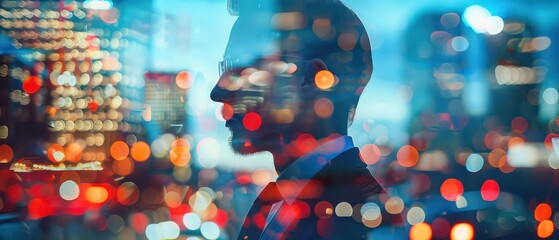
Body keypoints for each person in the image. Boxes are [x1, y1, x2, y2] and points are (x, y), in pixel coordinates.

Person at [211, 0, 402, 239]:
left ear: (310, 79)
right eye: (225, 68)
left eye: (241, 70)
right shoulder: (346, 210)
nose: (217, 92)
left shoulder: (360, 224)